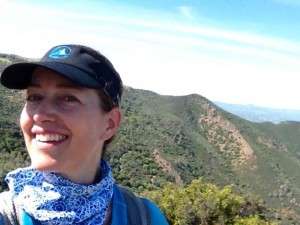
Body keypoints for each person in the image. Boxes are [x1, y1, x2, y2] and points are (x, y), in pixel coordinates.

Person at [0, 44, 169, 225]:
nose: (40, 115)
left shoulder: (144, 218)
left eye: (68, 98)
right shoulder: (7, 215)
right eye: (34, 97)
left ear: (110, 124)